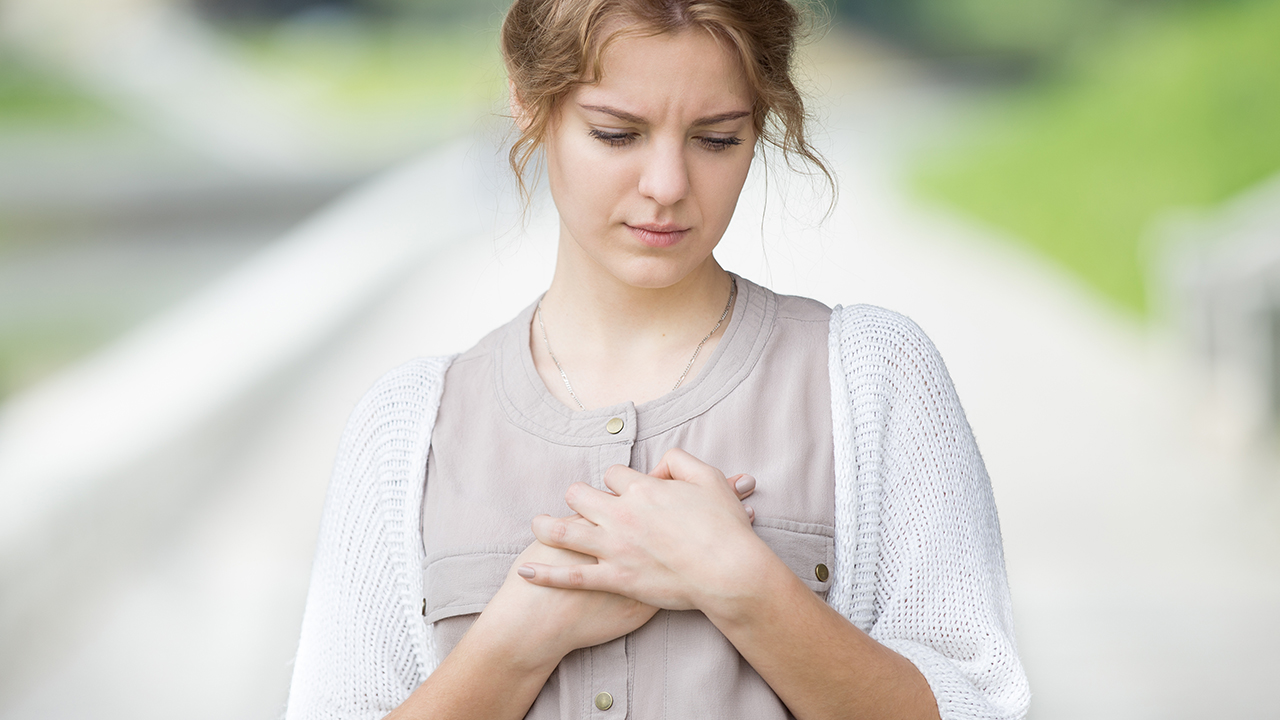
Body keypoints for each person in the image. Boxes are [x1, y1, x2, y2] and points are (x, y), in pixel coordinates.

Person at [285, 0, 1031, 718]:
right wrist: (512, 644)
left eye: (716, 138)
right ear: (527, 102)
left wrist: (748, 589)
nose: (668, 187)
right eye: (617, 134)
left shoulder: (876, 378)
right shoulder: (409, 426)